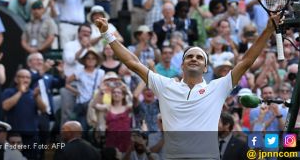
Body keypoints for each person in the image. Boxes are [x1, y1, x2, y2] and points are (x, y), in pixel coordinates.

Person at [94, 10, 278, 159]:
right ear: (181, 64)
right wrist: (107, 35)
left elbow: (245, 61)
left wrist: (268, 30)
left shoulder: (217, 87)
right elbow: (133, 63)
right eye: (189, 56)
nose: (194, 59)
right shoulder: (165, 85)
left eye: (199, 57)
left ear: (206, 67)